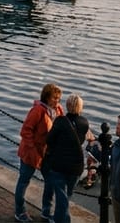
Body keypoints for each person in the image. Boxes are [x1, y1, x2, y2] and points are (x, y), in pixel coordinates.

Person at [14, 83, 63, 223]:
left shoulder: (59, 110)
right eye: (54, 98)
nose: (57, 101)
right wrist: (33, 149)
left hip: (48, 154)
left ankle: (46, 211)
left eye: (59, 98)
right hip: (31, 153)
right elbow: (25, 131)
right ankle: (20, 211)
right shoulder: (37, 111)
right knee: (23, 181)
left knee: (51, 182)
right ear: (46, 97)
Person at [42, 94, 90, 223]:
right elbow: (81, 140)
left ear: (67, 106)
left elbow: (49, 139)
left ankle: (59, 220)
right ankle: (63, 219)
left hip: (59, 164)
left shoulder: (60, 121)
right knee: (66, 195)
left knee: (61, 195)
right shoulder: (84, 122)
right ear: (80, 107)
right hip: (76, 165)